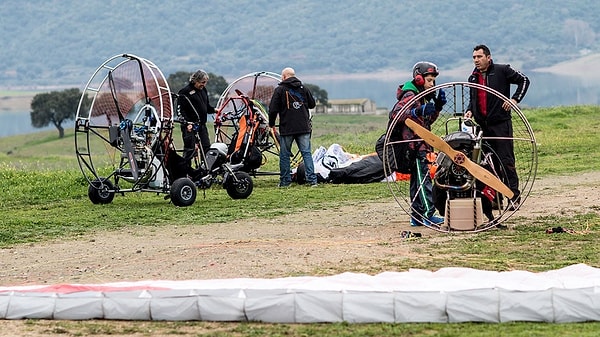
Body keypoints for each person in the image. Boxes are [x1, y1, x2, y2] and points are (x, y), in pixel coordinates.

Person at [464, 44, 530, 210]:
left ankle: (513, 196)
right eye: (474, 57)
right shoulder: (472, 78)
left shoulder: (502, 70)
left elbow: (524, 80)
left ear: (488, 57)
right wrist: (469, 111)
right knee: (489, 163)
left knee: (506, 161)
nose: (476, 60)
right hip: (482, 127)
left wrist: (514, 100)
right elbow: (473, 99)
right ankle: (496, 198)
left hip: (501, 125)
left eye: (479, 57)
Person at [391, 61, 447, 226]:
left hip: (419, 144)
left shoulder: (422, 96)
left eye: (433, 81)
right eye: (429, 80)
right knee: (424, 181)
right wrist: (416, 111)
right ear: (419, 79)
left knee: (417, 181)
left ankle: (416, 217)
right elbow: (395, 114)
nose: (432, 84)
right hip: (414, 146)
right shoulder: (410, 95)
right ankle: (427, 214)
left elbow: (426, 121)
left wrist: (436, 107)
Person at [268, 67, 317, 188]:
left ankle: (285, 182)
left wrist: (271, 124)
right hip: (303, 126)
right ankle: (312, 181)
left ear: (284, 77)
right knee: (306, 153)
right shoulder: (303, 88)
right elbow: (312, 104)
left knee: (284, 155)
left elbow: (273, 109)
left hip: (287, 128)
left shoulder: (280, 90)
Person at [177, 70, 216, 167]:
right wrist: (187, 123)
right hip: (190, 126)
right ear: (195, 81)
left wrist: (215, 110)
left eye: (205, 82)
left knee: (206, 147)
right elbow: (180, 111)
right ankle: (186, 172)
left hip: (202, 126)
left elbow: (206, 107)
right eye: (202, 82)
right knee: (190, 150)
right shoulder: (184, 92)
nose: (204, 84)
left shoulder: (204, 90)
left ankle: (206, 170)